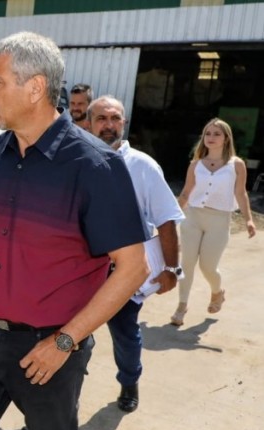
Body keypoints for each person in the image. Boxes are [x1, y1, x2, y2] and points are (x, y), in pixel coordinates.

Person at [0, 31, 149, 430]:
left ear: (35, 87)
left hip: (49, 352)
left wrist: (65, 342)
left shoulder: (95, 165)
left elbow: (134, 267)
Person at [88, 96, 185, 412]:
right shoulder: (76, 161)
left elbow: (166, 220)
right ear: (89, 123)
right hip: (82, 270)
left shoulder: (143, 166)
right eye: (101, 118)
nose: (108, 125)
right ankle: (55, 403)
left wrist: (171, 269)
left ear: (124, 122)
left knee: (125, 334)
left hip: (125, 274)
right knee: (70, 335)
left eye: (115, 118)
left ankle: (129, 382)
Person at [172, 118, 257, 326]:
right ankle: (182, 306)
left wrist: (248, 220)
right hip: (193, 217)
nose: (211, 137)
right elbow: (186, 193)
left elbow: (241, 193)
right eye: (207, 134)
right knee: (186, 263)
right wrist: (171, 219)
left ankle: (217, 292)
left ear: (226, 138)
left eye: (217, 134)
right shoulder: (195, 164)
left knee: (208, 267)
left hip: (219, 221)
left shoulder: (236, 165)